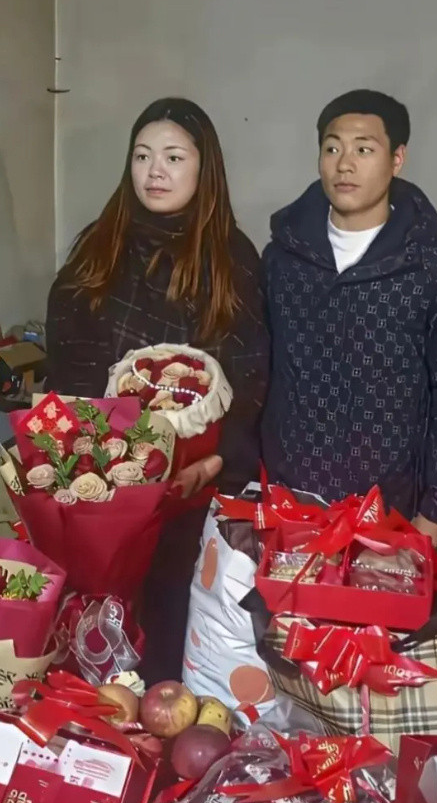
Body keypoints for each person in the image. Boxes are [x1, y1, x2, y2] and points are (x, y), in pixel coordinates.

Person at [46, 97, 269, 679]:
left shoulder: (231, 259)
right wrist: (92, 454)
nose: (155, 172)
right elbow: (68, 361)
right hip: (101, 480)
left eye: (173, 157)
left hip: (190, 489)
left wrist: (216, 462)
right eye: (142, 156)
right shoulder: (99, 244)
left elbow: (252, 376)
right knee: (93, 628)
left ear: (204, 168)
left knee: (170, 634)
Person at [261, 89, 437, 546]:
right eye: (332, 148)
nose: (344, 164)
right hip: (287, 502)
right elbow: (259, 371)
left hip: (391, 511)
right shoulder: (282, 259)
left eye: (364, 150)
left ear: (397, 159)